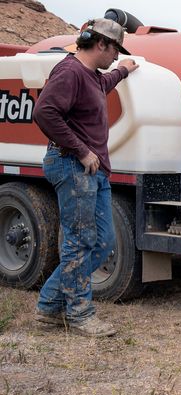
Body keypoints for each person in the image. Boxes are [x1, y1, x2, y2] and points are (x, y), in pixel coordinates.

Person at [33, 18, 139, 337]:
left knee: (102, 241)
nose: (116, 57)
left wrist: (124, 71)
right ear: (101, 44)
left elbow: (103, 85)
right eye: (115, 51)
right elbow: (44, 112)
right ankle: (79, 314)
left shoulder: (91, 75)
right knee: (80, 242)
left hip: (94, 171)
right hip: (73, 166)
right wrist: (81, 151)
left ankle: (50, 305)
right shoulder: (69, 72)